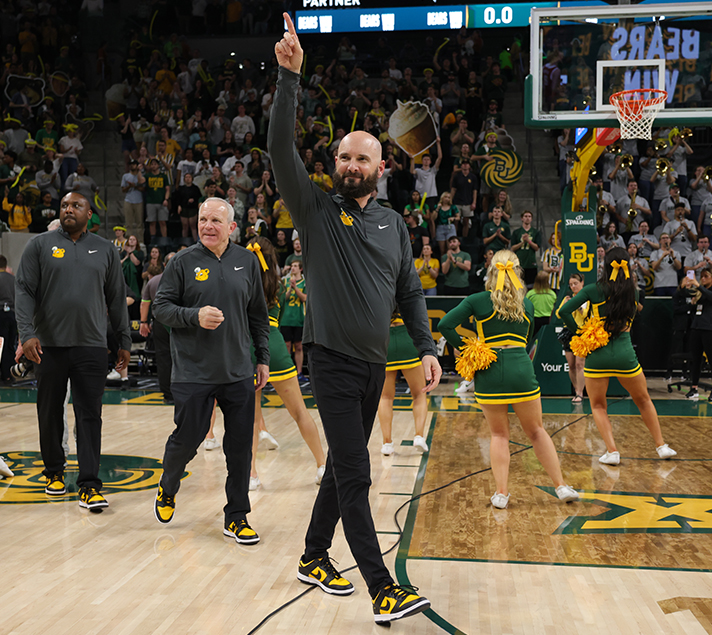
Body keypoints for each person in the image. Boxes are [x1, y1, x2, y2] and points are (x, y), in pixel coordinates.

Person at [270, 14, 442, 624]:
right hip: (332, 361)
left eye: (360, 157)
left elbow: (410, 291)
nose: (348, 163)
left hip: (377, 364)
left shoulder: (394, 224)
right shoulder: (315, 209)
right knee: (357, 473)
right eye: (341, 156)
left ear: (379, 166)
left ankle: (314, 555)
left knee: (343, 466)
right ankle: (381, 586)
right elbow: (278, 150)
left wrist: (425, 347)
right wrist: (290, 78)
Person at [151, 198, 270, 544]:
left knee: (239, 448)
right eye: (203, 219)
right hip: (193, 371)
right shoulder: (183, 262)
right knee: (187, 439)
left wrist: (262, 358)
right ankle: (168, 484)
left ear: (231, 227)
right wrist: (194, 316)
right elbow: (161, 309)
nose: (207, 226)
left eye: (215, 220)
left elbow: (258, 316)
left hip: (237, 371)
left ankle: (236, 516)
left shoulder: (247, 262)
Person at [15, 192, 131, 509]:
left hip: (91, 346)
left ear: (89, 213)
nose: (68, 209)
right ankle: (54, 472)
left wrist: (123, 341)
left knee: (90, 415)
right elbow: (23, 290)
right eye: (64, 205)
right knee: (50, 412)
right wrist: (26, 334)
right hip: (47, 346)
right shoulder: (39, 245)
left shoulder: (105, 249)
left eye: (75, 205)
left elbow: (117, 299)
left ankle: (90, 484)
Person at [438, 250, 579, 508]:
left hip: (489, 370)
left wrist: (469, 348)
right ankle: (561, 486)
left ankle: (501, 493)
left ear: (491, 271)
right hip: (520, 367)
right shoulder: (527, 304)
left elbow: (445, 324)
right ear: (517, 273)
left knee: (499, 435)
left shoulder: (478, 300)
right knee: (536, 431)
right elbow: (526, 340)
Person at [558, 247, 677, 464]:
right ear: (628, 265)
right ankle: (661, 445)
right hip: (625, 354)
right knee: (643, 400)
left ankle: (612, 451)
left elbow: (562, 311)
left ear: (605, 266)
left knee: (598, 405)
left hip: (598, 355)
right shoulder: (634, 292)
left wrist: (581, 331)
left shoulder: (593, 289)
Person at [246, 237, 326, 487]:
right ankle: (323, 465)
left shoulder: (240, 282)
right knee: (300, 412)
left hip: (246, 346)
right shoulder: (279, 286)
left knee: (250, 418)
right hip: (275, 346)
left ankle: (251, 476)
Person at [378, 312, 429, 456]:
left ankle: (387, 444)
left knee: (385, 398)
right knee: (419, 394)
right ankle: (419, 436)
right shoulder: (407, 289)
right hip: (406, 336)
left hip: (384, 339)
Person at [556, 273, 588, 403]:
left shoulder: (586, 298)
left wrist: (576, 306)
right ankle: (576, 390)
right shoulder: (568, 298)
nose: (573, 286)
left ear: (582, 283)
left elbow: (585, 313)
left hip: (581, 332)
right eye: (571, 284)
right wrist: (565, 303)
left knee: (580, 364)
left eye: (575, 283)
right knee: (571, 365)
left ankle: (581, 393)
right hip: (568, 333)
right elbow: (559, 314)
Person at [682, 267, 712, 401]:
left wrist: (698, 286)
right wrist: (684, 287)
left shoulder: (706, 291)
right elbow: (682, 297)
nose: (703, 279)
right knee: (696, 359)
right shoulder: (699, 293)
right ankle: (694, 388)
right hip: (696, 328)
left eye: (706, 276)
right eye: (702, 277)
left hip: (709, 329)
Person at [280, 260, 307, 377]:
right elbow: (282, 298)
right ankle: (288, 371)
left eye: (295, 266)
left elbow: (305, 298)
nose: (293, 268)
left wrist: (295, 288)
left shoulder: (305, 282)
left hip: (299, 319)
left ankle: (299, 372)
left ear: (300, 268)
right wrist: (290, 289)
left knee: (299, 346)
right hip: (286, 318)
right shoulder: (285, 280)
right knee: (287, 346)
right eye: (291, 266)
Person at [510, 210, 541, 287]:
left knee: (531, 286)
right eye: (526, 216)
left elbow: (537, 248)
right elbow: (513, 248)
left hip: (531, 263)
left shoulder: (535, 232)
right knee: (518, 286)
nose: (527, 218)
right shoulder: (516, 232)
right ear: (522, 218)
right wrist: (522, 242)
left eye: (529, 216)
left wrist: (528, 241)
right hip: (519, 263)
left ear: (532, 219)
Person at [525, 271, 556, 338]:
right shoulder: (552, 294)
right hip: (548, 320)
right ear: (548, 281)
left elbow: (526, 307)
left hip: (534, 321)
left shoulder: (530, 294)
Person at [0, 255, 16, 382]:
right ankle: (9, 374)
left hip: (1, 315)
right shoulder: (13, 279)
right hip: (13, 315)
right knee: (10, 345)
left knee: (1, 345)